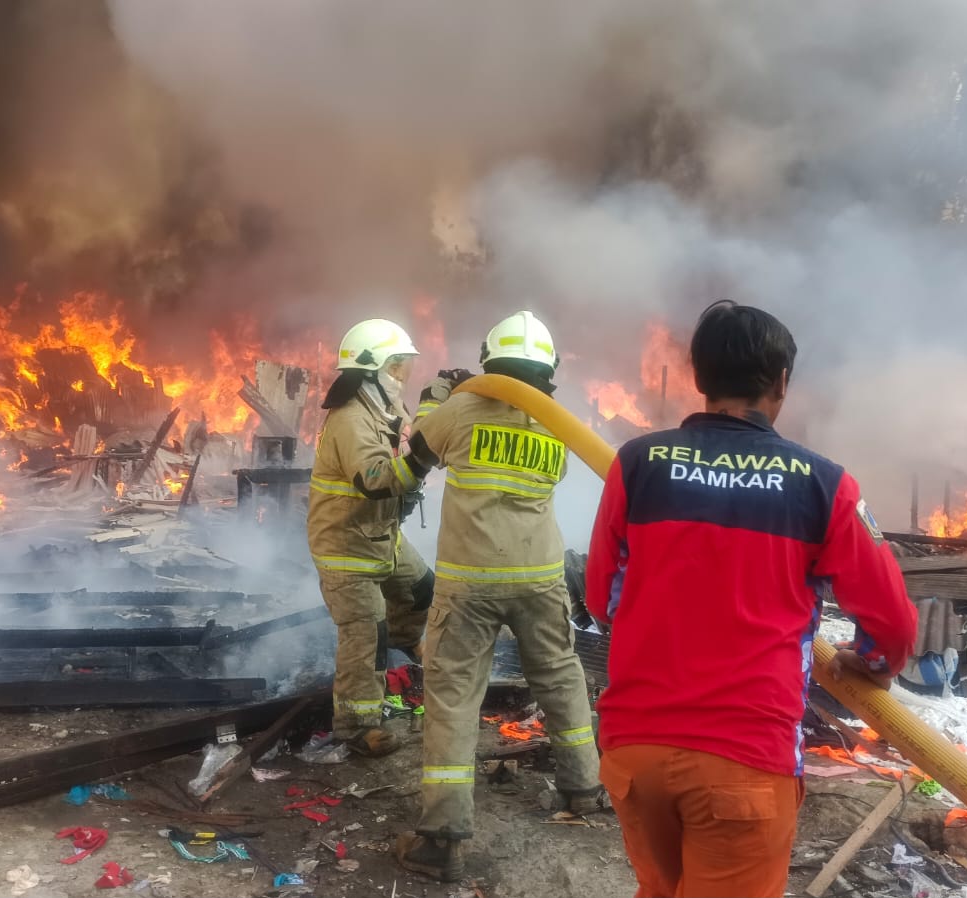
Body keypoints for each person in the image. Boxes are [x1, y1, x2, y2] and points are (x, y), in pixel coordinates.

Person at [586, 300, 918, 898]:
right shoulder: (824, 484)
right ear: (782, 382)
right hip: (745, 762)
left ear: (697, 377)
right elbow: (891, 621)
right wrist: (868, 663)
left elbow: (600, 596)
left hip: (635, 753)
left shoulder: (637, 463)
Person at [395, 310, 602, 882]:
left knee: (455, 697)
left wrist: (439, 395)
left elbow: (418, 452)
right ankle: (584, 788)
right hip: (539, 577)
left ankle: (442, 838)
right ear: (549, 369)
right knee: (561, 679)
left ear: (489, 362)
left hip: (469, 582)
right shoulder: (560, 423)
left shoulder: (461, 409)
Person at [308, 318, 437, 758]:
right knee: (366, 631)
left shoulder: (382, 408)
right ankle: (357, 726)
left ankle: (403, 641)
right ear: (372, 369)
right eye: (398, 366)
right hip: (346, 544)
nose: (404, 375)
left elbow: (409, 441)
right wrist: (422, 457)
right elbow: (376, 479)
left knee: (422, 591)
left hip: (381, 534)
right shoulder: (350, 419)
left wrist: (435, 411)